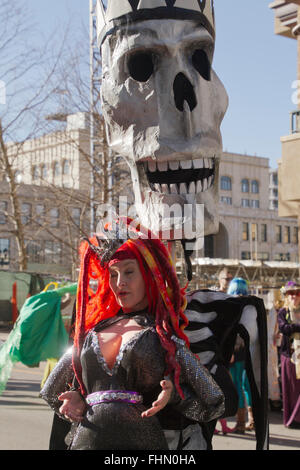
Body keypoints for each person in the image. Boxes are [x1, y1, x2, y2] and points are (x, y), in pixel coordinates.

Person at [41, 219, 225, 450]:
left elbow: (213, 403)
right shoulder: (92, 332)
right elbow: (50, 391)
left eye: (129, 272)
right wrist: (74, 401)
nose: (120, 283)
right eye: (113, 274)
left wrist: (174, 397)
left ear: (149, 275)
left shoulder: (164, 336)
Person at [227, 278, 254, 433]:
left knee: (241, 385)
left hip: (239, 353)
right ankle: (246, 421)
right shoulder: (251, 308)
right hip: (242, 353)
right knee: (244, 385)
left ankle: (242, 422)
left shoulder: (235, 308)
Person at [277, 281, 300, 429]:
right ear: (286, 295)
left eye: (297, 293)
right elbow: (284, 328)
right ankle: (292, 420)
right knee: (291, 389)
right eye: (291, 293)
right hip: (289, 355)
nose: (294, 296)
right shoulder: (283, 312)